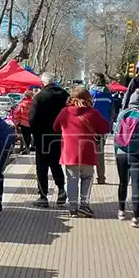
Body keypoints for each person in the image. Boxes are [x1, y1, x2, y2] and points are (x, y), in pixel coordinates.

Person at [53, 87, 109, 218]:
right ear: (87, 98)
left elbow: (55, 127)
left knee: (72, 180)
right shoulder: (93, 113)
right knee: (87, 179)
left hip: (70, 153)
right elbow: (105, 127)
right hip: (87, 152)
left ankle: (73, 209)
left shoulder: (64, 112)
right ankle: (84, 206)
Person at [29, 72, 69, 208]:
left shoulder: (39, 97)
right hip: (59, 136)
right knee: (56, 164)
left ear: (43, 83)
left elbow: (32, 119)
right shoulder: (65, 95)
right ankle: (61, 190)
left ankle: (43, 196)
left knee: (42, 167)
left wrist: (34, 135)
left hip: (42, 137)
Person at [113, 91, 139, 228]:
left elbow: (116, 133)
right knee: (136, 186)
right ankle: (136, 217)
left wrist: (116, 151)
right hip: (138, 154)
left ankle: (121, 211)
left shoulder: (123, 113)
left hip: (121, 153)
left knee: (122, 182)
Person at [89, 73, 113, 184]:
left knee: (88, 152)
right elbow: (112, 112)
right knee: (100, 153)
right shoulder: (108, 94)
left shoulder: (91, 93)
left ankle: (88, 177)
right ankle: (101, 178)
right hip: (103, 127)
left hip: (90, 127)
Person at [14, 90, 34, 154]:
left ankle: (26, 148)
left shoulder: (22, 103)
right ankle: (28, 147)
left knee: (25, 136)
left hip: (24, 122)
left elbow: (17, 112)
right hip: (32, 121)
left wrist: (16, 122)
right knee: (29, 135)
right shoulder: (33, 102)